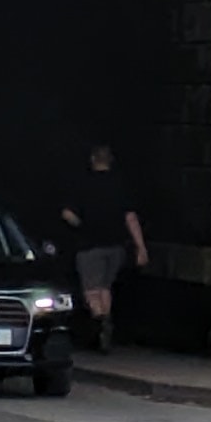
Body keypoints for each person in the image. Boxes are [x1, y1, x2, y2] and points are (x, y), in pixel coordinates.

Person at [67, 142, 147, 349]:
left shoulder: (82, 184)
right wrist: (141, 247)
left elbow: (68, 214)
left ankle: (99, 325)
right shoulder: (120, 185)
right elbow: (130, 217)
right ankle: (106, 322)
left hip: (89, 245)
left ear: (93, 159)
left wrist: (80, 225)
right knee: (105, 287)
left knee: (91, 290)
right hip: (115, 246)